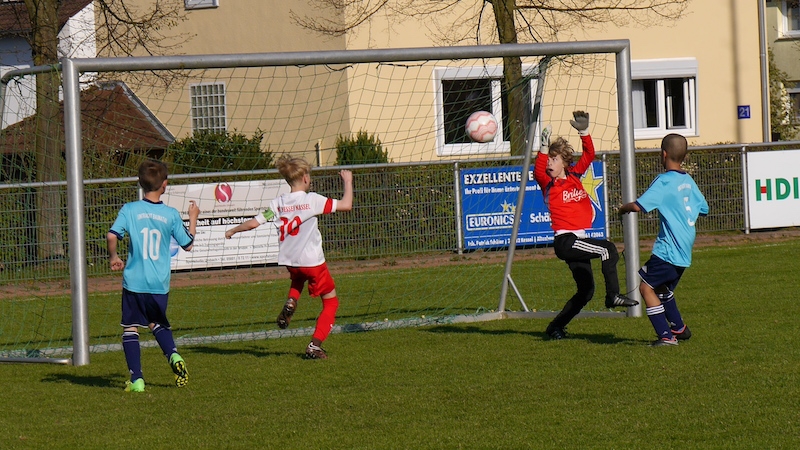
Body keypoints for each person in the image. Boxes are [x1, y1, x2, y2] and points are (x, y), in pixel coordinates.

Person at [225, 156, 353, 359]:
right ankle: (315, 345)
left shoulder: (277, 204)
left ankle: (292, 300)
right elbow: (346, 205)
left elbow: (254, 223)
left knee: (298, 278)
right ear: (305, 178)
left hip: (291, 261)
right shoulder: (312, 200)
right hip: (313, 263)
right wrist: (348, 181)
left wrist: (233, 230)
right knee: (331, 302)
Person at [534, 111, 638, 340]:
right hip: (566, 240)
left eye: (554, 159)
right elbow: (538, 170)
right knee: (608, 249)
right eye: (549, 159)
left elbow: (589, 154)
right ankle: (613, 295)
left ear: (564, 163)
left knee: (586, 291)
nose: (549, 162)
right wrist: (542, 148)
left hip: (577, 240)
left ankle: (555, 327)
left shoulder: (574, 176)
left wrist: (584, 132)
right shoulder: (548, 183)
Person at [107, 159, 200, 392]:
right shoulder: (170, 214)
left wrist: (114, 256)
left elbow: (111, 235)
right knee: (156, 322)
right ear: (164, 185)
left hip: (134, 281)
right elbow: (188, 244)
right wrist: (193, 218)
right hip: (159, 283)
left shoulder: (130, 209)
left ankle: (137, 379)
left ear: (140, 183)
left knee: (131, 328)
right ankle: (173, 355)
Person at [619, 133, 708, 346]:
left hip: (668, 249)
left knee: (646, 288)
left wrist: (623, 208)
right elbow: (704, 208)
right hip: (684, 250)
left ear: (664, 154)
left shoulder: (664, 181)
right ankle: (679, 328)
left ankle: (666, 337)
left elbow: (639, 206)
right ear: (684, 156)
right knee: (662, 289)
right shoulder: (688, 181)